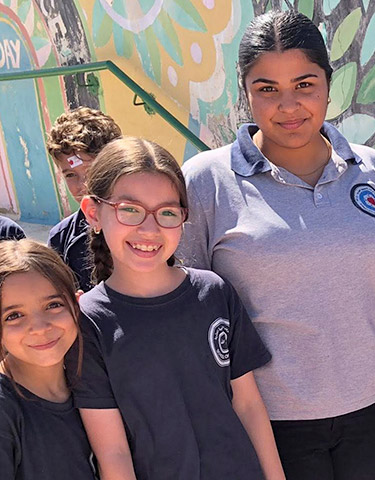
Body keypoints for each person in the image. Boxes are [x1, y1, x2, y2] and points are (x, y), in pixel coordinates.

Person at [177, 11, 375, 479]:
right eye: (267, 88)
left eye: (305, 84)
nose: (288, 105)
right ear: (246, 92)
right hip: (269, 422)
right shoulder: (206, 183)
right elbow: (183, 306)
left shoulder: (374, 171)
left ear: (329, 86)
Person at [69, 137, 283, 479]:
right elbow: (114, 452)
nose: (150, 229)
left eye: (167, 212)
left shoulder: (214, 292)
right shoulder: (88, 323)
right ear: (94, 213)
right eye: (130, 209)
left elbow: (248, 405)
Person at [0, 239, 95, 479]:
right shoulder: (6, 412)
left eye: (53, 305)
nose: (40, 328)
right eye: (14, 315)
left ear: (76, 303)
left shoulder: (99, 381)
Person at [45, 107, 123, 291]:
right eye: (70, 175)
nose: (84, 185)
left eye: (91, 171)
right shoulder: (61, 239)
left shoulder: (148, 221)